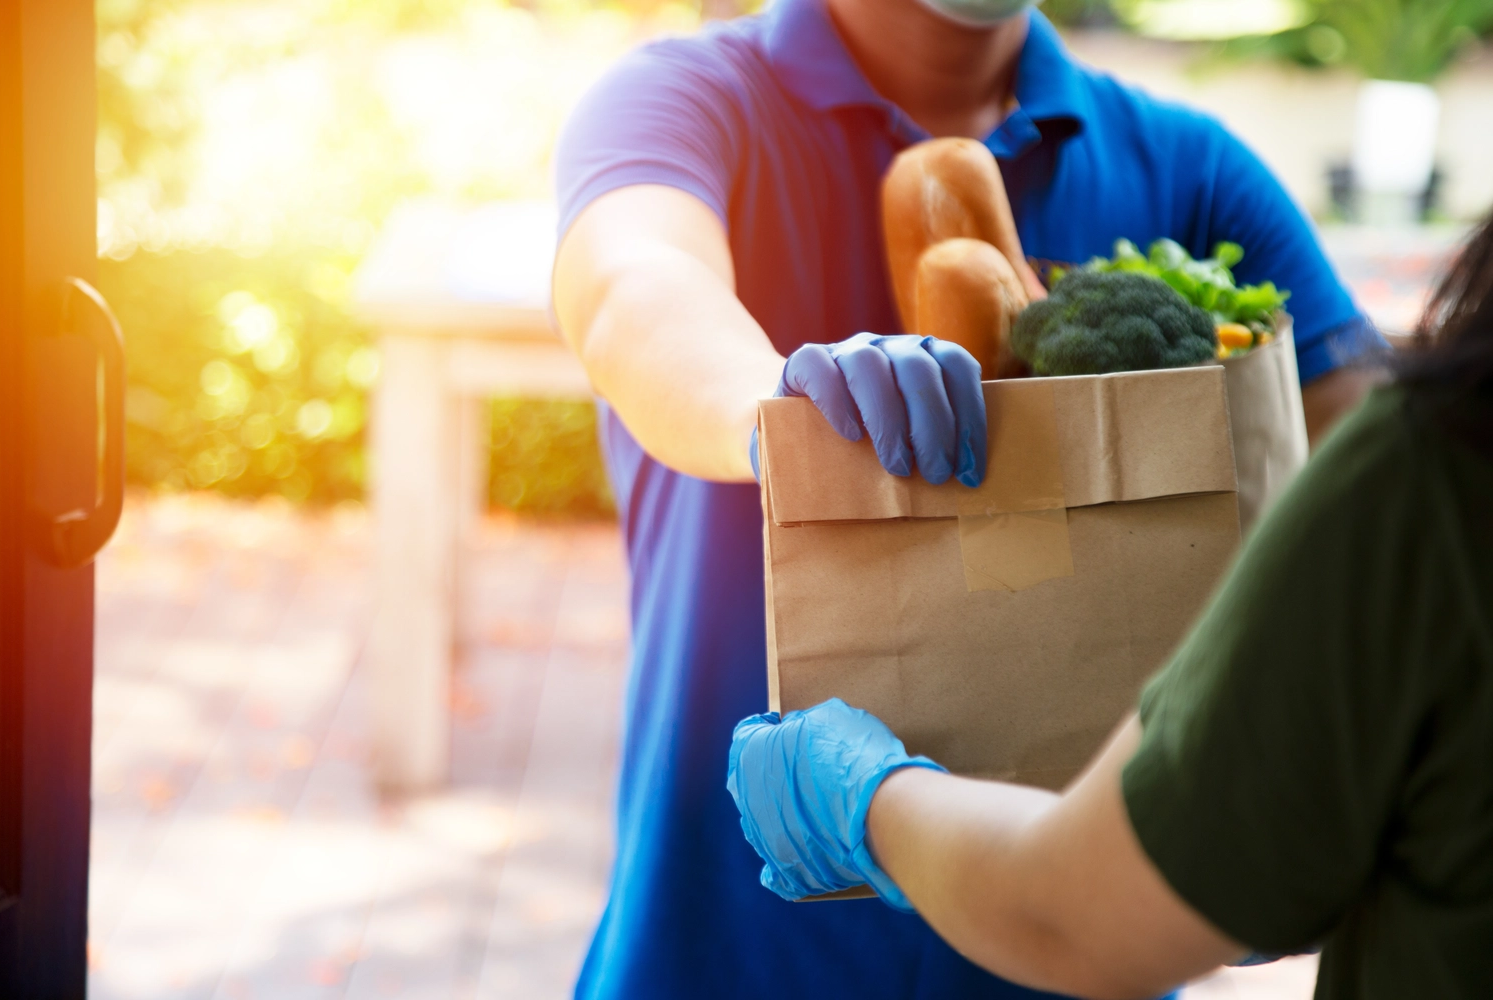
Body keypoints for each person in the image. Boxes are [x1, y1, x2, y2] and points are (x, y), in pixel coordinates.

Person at [551, 0, 1384, 993]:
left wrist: (1290, 790)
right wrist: (773, 408)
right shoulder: (688, 99)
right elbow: (634, 289)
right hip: (721, 960)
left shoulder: (1189, 172)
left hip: (1084, 959)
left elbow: (1384, 466)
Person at [728, 213, 1493, 998]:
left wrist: (861, 797)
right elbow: (636, 292)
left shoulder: (1436, 475)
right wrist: (755, 423)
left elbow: (1072, 917)